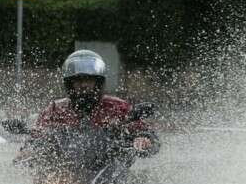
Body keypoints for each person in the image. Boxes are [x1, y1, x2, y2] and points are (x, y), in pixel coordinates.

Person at [28, 49, 160, 155]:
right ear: (69, 83)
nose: (84, 85)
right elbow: (38, 135)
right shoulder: (55, 109)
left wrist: (144, 139)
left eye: (89, 80)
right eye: (78, 80)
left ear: (98, 82)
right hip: (65, 174)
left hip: (109, 171)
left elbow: (147, 133)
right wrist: (27, 151)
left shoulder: (117, 107)